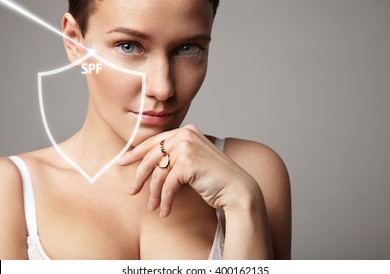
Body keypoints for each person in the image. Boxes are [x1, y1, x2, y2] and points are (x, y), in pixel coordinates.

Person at [0, 0, 291, 260]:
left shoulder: (251, 173)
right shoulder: (11, 190)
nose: (163, 88)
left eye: (188, 48)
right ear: (74, 41)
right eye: (129, 46)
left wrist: (242, 202)